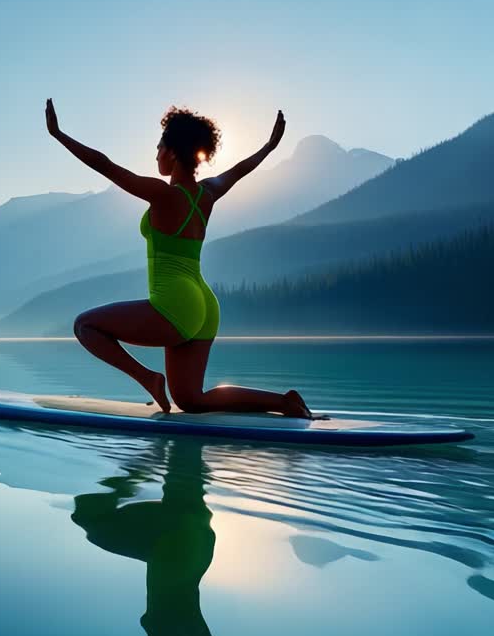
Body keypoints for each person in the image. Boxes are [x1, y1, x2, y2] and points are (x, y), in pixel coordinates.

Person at [46, 99, 312, 418]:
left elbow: (105, 165)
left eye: (159, 147)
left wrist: (58, 135)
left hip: (175, 304)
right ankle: (283, 402)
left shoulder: (164, 195)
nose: (156, 154)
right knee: (189, 399)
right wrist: (268, 147)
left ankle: (148, 379)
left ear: (171, 152)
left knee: (84, 325)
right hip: (205, 304)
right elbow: (240, 170)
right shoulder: (208, 193)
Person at [72, 439, 275, 636]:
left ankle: (180, 450)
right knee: (88, 517)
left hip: (193, 548)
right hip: (180, 550)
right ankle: (152, 464)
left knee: (182, 502)